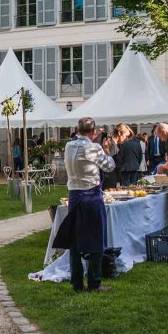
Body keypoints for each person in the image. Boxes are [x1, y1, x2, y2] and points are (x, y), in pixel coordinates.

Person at [53, 117, 115, 293]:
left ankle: (77, 282)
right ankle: (94, 283)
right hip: (91, 195)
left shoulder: (69, 146)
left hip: (74, 195)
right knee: (96, 240)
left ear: (77, 129)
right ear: (93, 132)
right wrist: (106, 150)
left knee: (75, 241)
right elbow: (109, 166)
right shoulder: (93, 148)